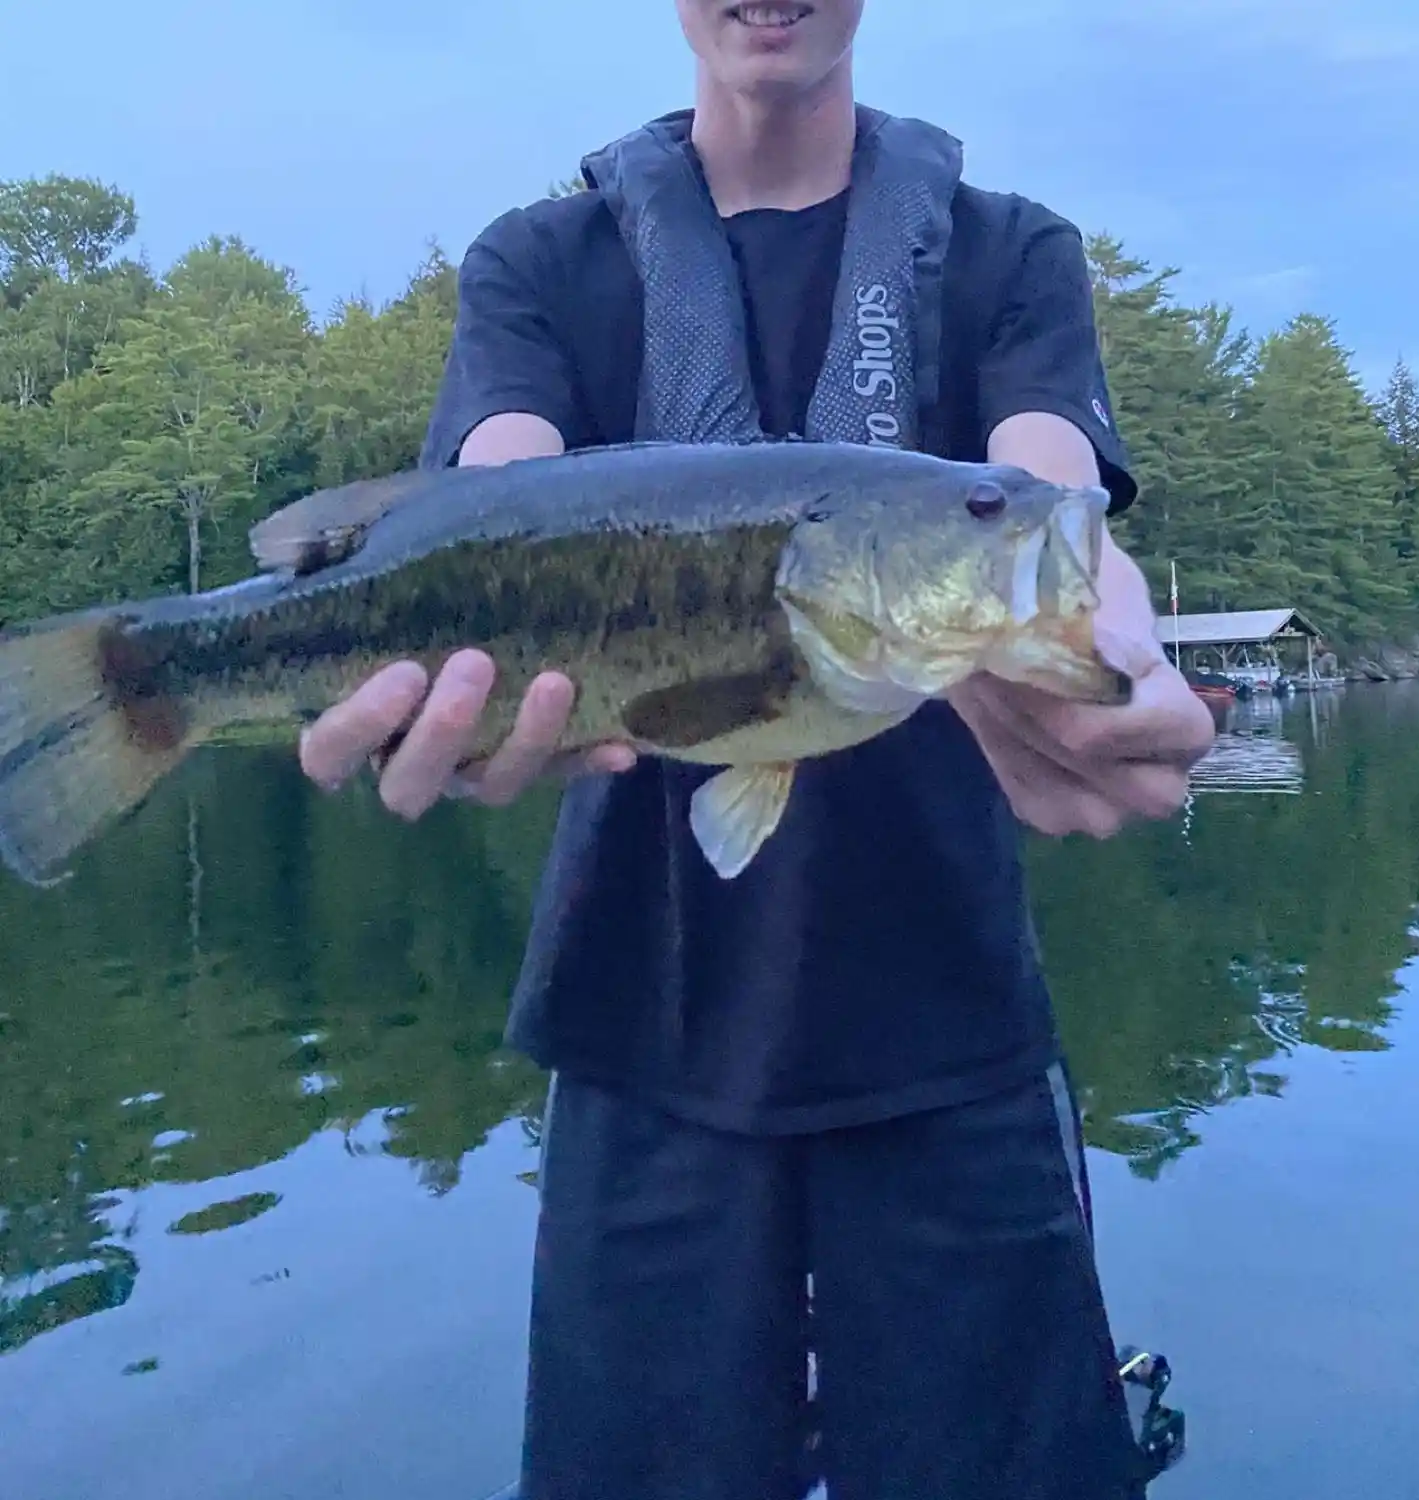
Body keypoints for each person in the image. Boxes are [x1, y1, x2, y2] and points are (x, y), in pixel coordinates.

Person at [299, 2, 1215, 1496]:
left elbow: (1047, 490)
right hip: (636, 1023)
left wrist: (1121, 656)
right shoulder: (540, 263)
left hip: (949, 1027)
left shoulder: (1008, 252)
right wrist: (454, 670)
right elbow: (495, 483)